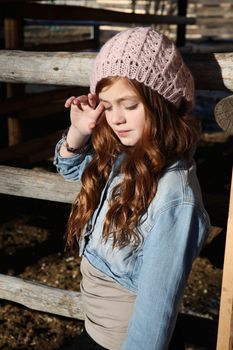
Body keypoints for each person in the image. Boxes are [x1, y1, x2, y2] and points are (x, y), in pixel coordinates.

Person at [54, 27, 210, 350]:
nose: (117, 119)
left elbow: (155, 316)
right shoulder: (124, 156)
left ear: (162, 102)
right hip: (94, 333)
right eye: (108, 107)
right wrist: (78, 132)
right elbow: (70, 168)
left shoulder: (174, 199)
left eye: (129, 105)